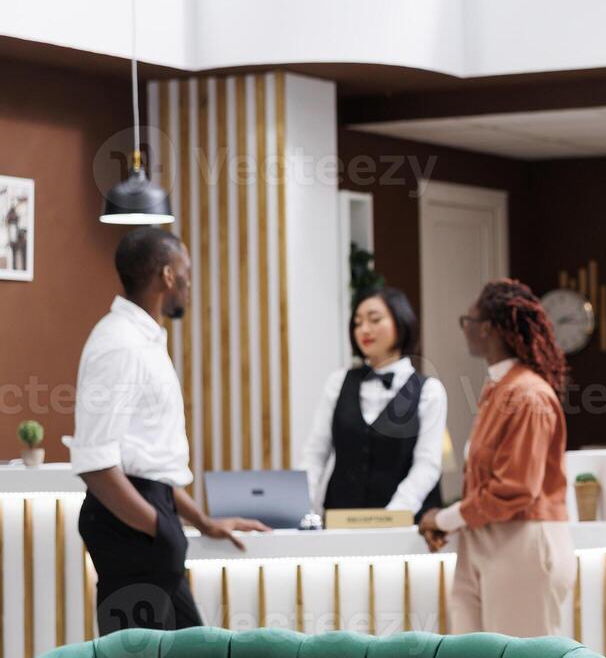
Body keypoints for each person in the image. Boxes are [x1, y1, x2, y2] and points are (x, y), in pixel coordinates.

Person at [71, 227, 270, 634]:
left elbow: (147, 459)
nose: (189, 284)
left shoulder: (142, 339)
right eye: (187, 273)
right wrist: (159, 528)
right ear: (167, 276)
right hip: (131, 528)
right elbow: (95, 463)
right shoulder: (120, 344)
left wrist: (200, 519)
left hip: (151, 519)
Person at [418, 278, 574, 638]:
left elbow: (516, 489)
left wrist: (444, 518)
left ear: (486, 328)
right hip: (486, 542)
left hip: (521, 543)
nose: (465, 329)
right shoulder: (498, 389)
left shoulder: (529, 395)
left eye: (467, 321)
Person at [302, 286, 445, 522]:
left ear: (401, 322)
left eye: (375, 319)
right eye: (357, 323)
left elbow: (427, 465)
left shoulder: (429, 391)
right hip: (340, 520)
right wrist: (302, 507)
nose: (364, 329)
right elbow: (315, 454)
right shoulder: (338, 382)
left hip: (405, 525)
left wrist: (391, 517)